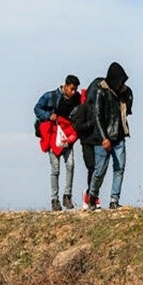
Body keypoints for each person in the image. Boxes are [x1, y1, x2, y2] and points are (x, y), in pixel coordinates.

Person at [86, 62, 133, 210]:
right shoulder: (101, 92)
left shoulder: (124, 92)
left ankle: (114, 200)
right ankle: (92, 196)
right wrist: (104, 138)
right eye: (120, 81)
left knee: (119, 168)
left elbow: (129, 109)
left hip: (119, 137)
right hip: (103, 139)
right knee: (100, 171)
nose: (122, 84)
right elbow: (97, 116)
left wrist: (127, 95)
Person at [34, 75, 82, 211]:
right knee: (55, 170)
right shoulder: (51, 96)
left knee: (71, 165)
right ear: (65, 86)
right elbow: (37, 108)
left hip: (67, 138)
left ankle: (67, 196)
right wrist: (48, 116)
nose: (73, 92)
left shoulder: (77, 99)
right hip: (53, 137)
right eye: (72, 89)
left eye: (75, 89)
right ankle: (54, 200)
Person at [69, 89, 100, 211]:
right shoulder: (83, 108)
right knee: (92, 168)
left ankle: (91, 194)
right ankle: (90, 196)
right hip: (87, 142)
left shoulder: (98, 107)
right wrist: (91, 124)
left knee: (97, 170)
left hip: (97, 142)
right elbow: (78, 126)